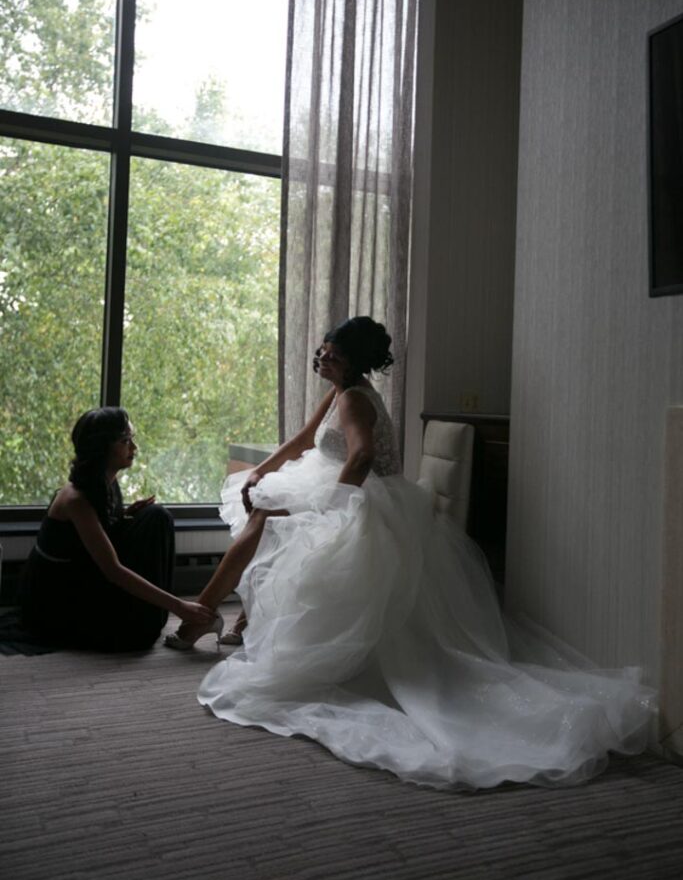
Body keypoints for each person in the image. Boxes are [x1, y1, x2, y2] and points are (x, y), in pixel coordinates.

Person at [165, 317, 656, 790]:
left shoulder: (354, 399)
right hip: (339, 481)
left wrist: (333, 509)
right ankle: (221, 616)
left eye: (332, 354)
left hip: (364, 497)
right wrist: (261, 469)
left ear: (353, 360)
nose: (322, 358)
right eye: (322, 351)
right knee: (263, 504)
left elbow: (361, 457)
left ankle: (202, 615)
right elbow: (302, 439)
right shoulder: (340, 391)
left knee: (263, 518)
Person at [20, 407, 217, 652]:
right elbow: (113, 570)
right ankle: (147, 618)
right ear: (102, 448)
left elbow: (101, 530)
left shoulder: (105, 482)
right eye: (125, 441)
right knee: (136, 637)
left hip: (85, 575)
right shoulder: (75, 500)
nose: (134, 447)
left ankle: (150, 615)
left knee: (157, 517)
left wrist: (124, 515)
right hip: (60, 598)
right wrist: (179, 606)